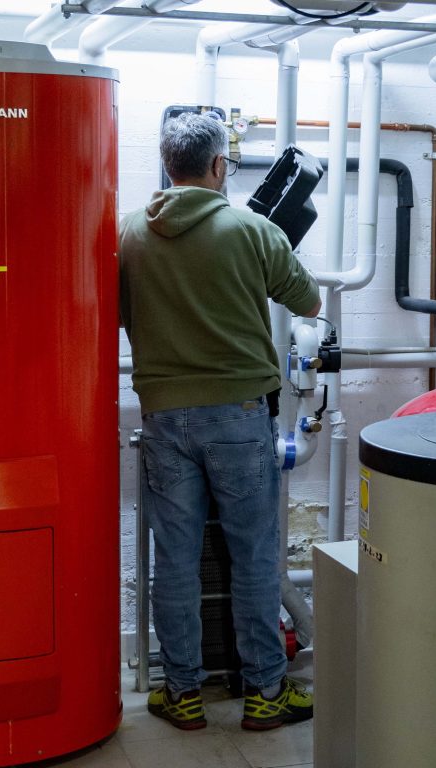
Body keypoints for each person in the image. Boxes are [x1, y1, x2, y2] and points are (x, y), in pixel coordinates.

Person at [119, 112, 321, 732]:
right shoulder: (251, 229)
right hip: (237, 415)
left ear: (166, 163)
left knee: (174, 558)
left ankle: (180, 693)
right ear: (217, 166)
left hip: (161, 416)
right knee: (254, 555)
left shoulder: (128, 234)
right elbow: (308, 300)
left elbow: (115, 314)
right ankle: (264, 692)